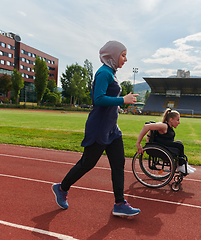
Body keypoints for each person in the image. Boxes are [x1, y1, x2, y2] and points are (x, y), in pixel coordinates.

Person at [52, 40, 141, 217]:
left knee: (118, 164)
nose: (125, 59)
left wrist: (119, 104)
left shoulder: (112, 73)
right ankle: (61, 188)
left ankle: (119, 203)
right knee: (87, 164)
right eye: (123, 55)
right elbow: (98, 99)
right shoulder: (103, 73)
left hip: (112, 129)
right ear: (113, 55)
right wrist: (122, 100)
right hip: (99, 128)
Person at [136, 109, 196, 174]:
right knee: (179, 145)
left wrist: (148, 136)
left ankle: (183, 164)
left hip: (165, 145)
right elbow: (147, 126)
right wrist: (139, 142)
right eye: (177, 120)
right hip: (161, 147)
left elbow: (152, 125)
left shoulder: (169, 127)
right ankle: (181, 166)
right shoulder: (164, 126)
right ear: (171, 120)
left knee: (179, 144)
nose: (179, 122)